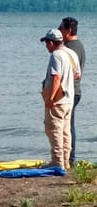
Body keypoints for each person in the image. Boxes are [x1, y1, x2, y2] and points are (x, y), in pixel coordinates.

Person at [40, 29, 81, 170]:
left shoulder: (56, 55)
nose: (46, 46)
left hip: (58, 100)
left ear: (51, 42)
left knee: (53, 130)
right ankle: (66, 161)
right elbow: (77, 75)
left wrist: (50, 98)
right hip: (69, 98)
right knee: (65, 131)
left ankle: (57, 161)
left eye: (46, 43)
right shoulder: (71, 53)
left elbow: (56, 77)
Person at [58, 17, 86, 166]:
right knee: (68, 124)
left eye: (61, 28)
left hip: (70, 91)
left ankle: (69, 157)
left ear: (69, 30)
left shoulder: (70, 47)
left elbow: (66, 73)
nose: (59, 31)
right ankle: (69, 157)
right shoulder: (78, 45)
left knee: (67, 125)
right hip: (75, 90)